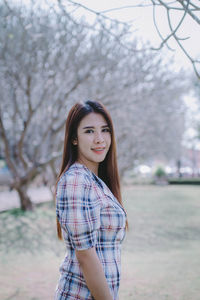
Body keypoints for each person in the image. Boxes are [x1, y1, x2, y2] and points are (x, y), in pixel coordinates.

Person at [55, 100, 128, 300]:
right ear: (74, 139)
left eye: (105, 130)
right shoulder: (77, 180)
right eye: (89, 131)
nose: (99, 139)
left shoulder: (94, 181)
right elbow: (86, 256)